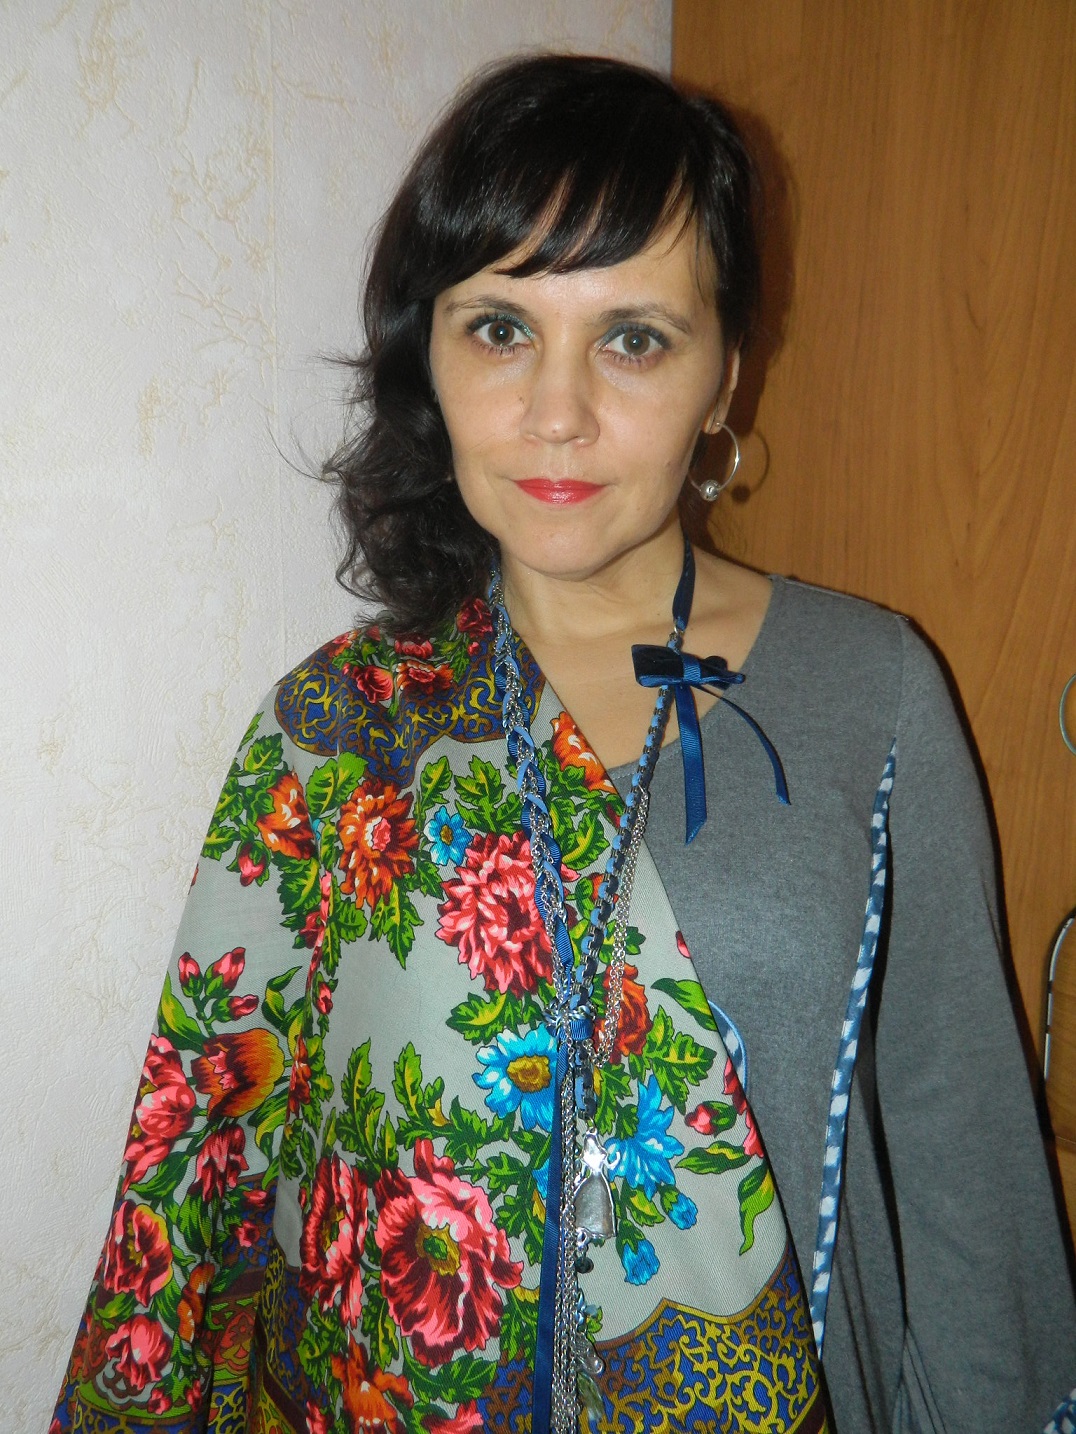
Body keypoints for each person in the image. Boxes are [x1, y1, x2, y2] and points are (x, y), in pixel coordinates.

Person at [51, 54, 1076, 1434]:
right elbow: (200, 1174)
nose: (557, 411)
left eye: (634, 339)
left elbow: (965, 1157)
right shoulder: (334, 732)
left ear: (726, 375)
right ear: (429, 357)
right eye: (499, 328)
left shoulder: (875, 691)